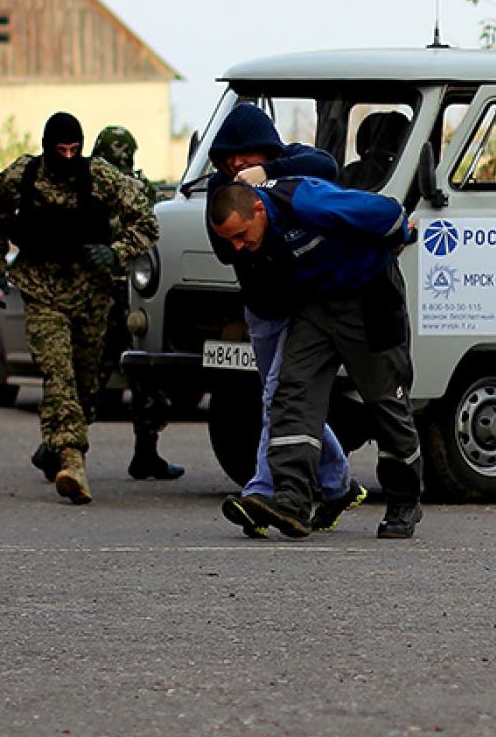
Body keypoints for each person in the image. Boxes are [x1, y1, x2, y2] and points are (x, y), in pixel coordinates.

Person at [208, 177, 424, 540]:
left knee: (386, 403)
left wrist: (399, 231)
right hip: (317, 306)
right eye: (231, 239)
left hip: (369, 298)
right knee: (293, 392)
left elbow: (386, 213)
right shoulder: (255, 229)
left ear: (258, 209)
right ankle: (292, 501)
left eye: (241, 235)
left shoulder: (307, 202)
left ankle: (404, 502)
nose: (239, 247)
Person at [0, 112, 158, 505]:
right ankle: (72, 459)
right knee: (58, 373)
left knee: (84, 382)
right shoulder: (22, 177)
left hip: (91, 295)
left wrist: (115, 253)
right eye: (59, 150)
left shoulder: (99, 177)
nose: (67, 156)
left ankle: (53, 447)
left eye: (73, 149)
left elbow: (146, 222)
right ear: (46, 148)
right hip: (41, 290)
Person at [204, 104, 366, 537]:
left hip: (304, 309)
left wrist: (268, 175)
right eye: (229, 158)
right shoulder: (221, 191)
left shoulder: (293, 167)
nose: (238, 164)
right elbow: (224, 249)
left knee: (278, 395)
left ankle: (261, 492)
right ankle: (337, 485)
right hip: (261, 311)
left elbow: (327, 165)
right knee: (289, 400)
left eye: (247, 155)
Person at [90, 124, 184, 482]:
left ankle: (60, 447)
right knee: (129, 378)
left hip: (117, 297)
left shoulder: (93, 186)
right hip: (124, 298)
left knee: (102, 377)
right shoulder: (129, 190)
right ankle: (61, 448)